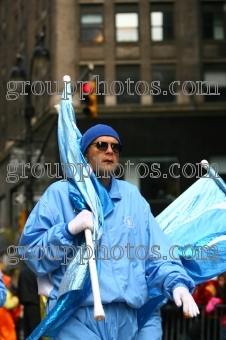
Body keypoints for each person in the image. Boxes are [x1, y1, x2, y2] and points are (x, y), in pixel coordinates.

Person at [18, 124, 199, 339]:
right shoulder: (59, 194)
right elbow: (31, 252)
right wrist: (67, 230)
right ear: (85, 154)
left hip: (130, 322)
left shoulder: (132, 196)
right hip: (76, 320)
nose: (110, 151)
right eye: (101, 145)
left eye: (116, 147)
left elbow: (158, 253)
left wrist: (177, 283)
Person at [17, 264, 42, 339]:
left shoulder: (22, 272)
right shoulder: (37, 271)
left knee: (27, 331)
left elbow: (19, 289)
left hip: (26, 305)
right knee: (37, 330)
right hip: (36, 305)